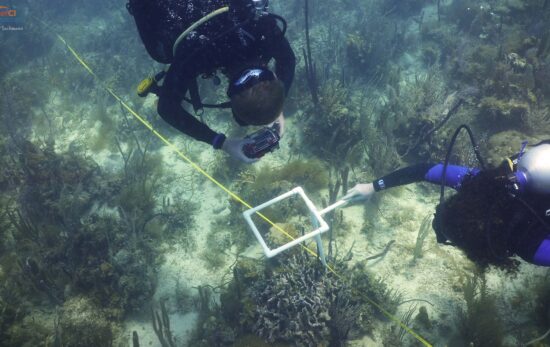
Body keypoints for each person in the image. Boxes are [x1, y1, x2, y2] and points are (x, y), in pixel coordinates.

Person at [127, 0, 295, 163]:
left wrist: (276, 104)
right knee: (161, 54)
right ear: (229, 94)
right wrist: (222, 143)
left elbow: (288, 60)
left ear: (272, 75)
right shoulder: (197, 55)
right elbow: (167, 109)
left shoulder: (259, 28)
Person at [343, 142, 550, 270]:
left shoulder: (529, 246)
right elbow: (425, 170)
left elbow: (424, 170)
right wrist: (373, 186)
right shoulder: (484, 185)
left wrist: (373, 186)